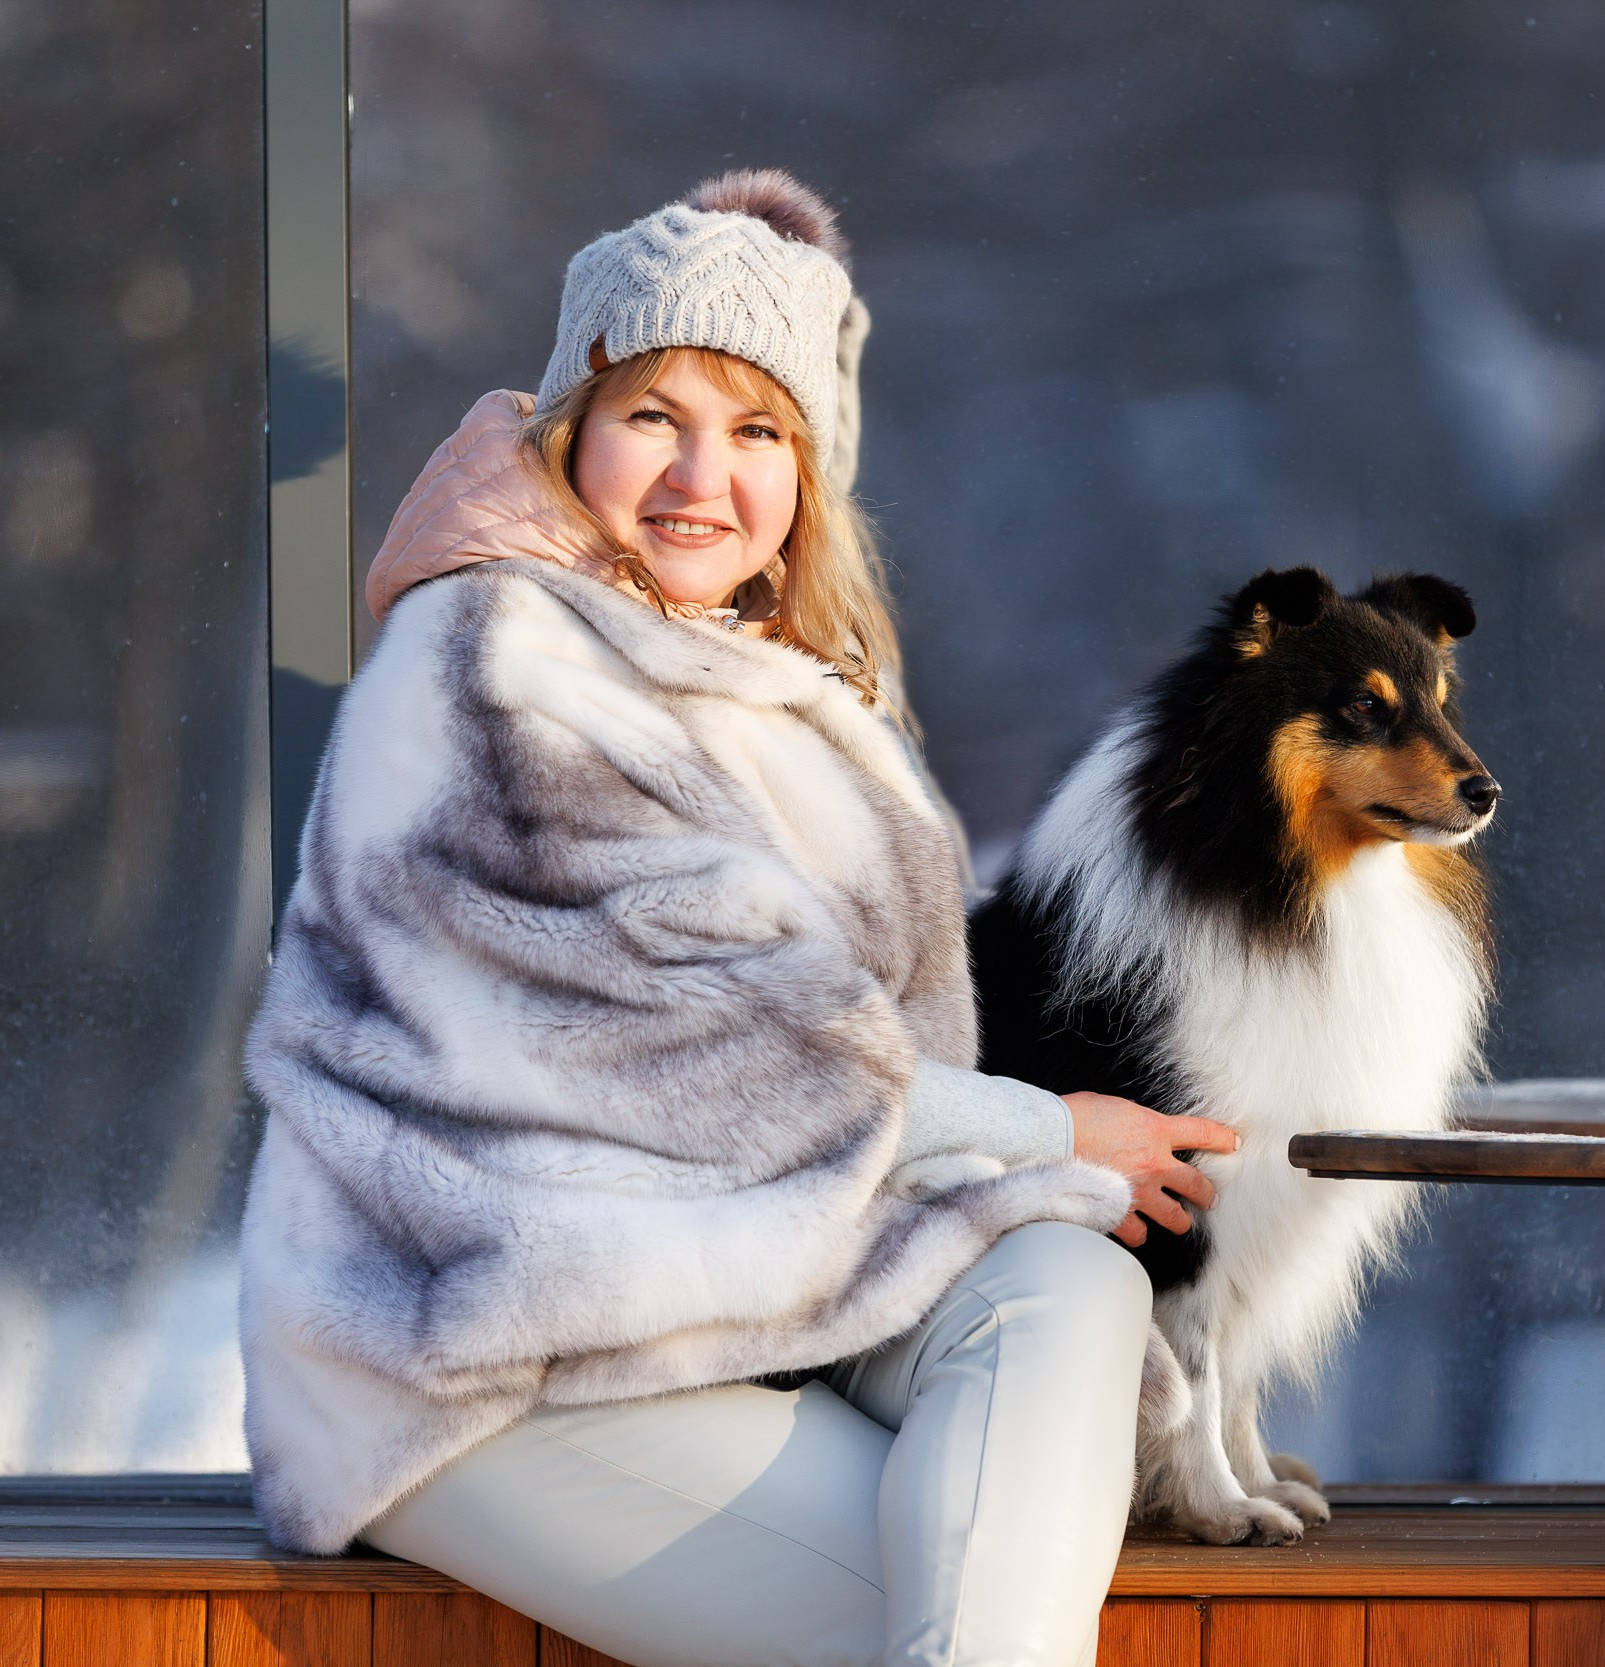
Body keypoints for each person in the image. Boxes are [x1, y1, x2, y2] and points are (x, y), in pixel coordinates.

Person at [236, 170, 1239, 1667]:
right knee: (949, 1625)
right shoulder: (497, 672)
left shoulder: (768, 684)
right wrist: (1050, 1132)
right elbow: (713, 1087)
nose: (703, 475)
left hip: (743, 1308)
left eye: (757, 429)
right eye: (657, 415)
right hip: (481, 1351)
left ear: (806, 477)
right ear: (572, 431)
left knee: (1064, 1279)